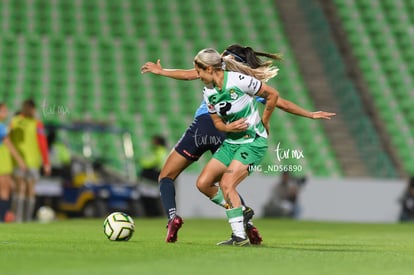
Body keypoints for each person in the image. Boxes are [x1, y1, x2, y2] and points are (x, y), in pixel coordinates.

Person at [141, 44, 335, 244]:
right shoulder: (232, 82)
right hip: (226, 131)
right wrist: (308, 114)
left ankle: (173, 217)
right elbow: (281, 102)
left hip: (206, 127)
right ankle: (247, 224)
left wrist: (162, 71)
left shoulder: (228, 79)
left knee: (169, 176)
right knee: (224, 184)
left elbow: (189, 74)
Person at [9, 99, 51, 222]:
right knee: (25, 188)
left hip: (27, 161)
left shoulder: (25, 122)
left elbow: (42, 143)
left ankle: (22, 219)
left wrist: (46, 162)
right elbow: (42, 143)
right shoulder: (25, 122)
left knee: (25, 189)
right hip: (24, 161)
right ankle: (22, 219)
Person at [0, 103, 27, 222]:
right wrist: (20, 160)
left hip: (5, 161)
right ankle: (2, 217)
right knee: (5, 190)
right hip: (2, 161)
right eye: (4, 111)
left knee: (8, 187)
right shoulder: (1, 127)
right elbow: (9, 144)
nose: (6, 113)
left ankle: (5, 215)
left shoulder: (3, 126)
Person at [138, 135, 168, 217]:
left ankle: (153, 214)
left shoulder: (160, 152)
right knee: (150, 198)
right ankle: (153, 214)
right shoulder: (159, 151)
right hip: (152, 179)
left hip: (152, 179)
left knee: (150, 199)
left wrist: (144, 162)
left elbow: (150, 163)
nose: (152, 142)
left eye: (154, 141)